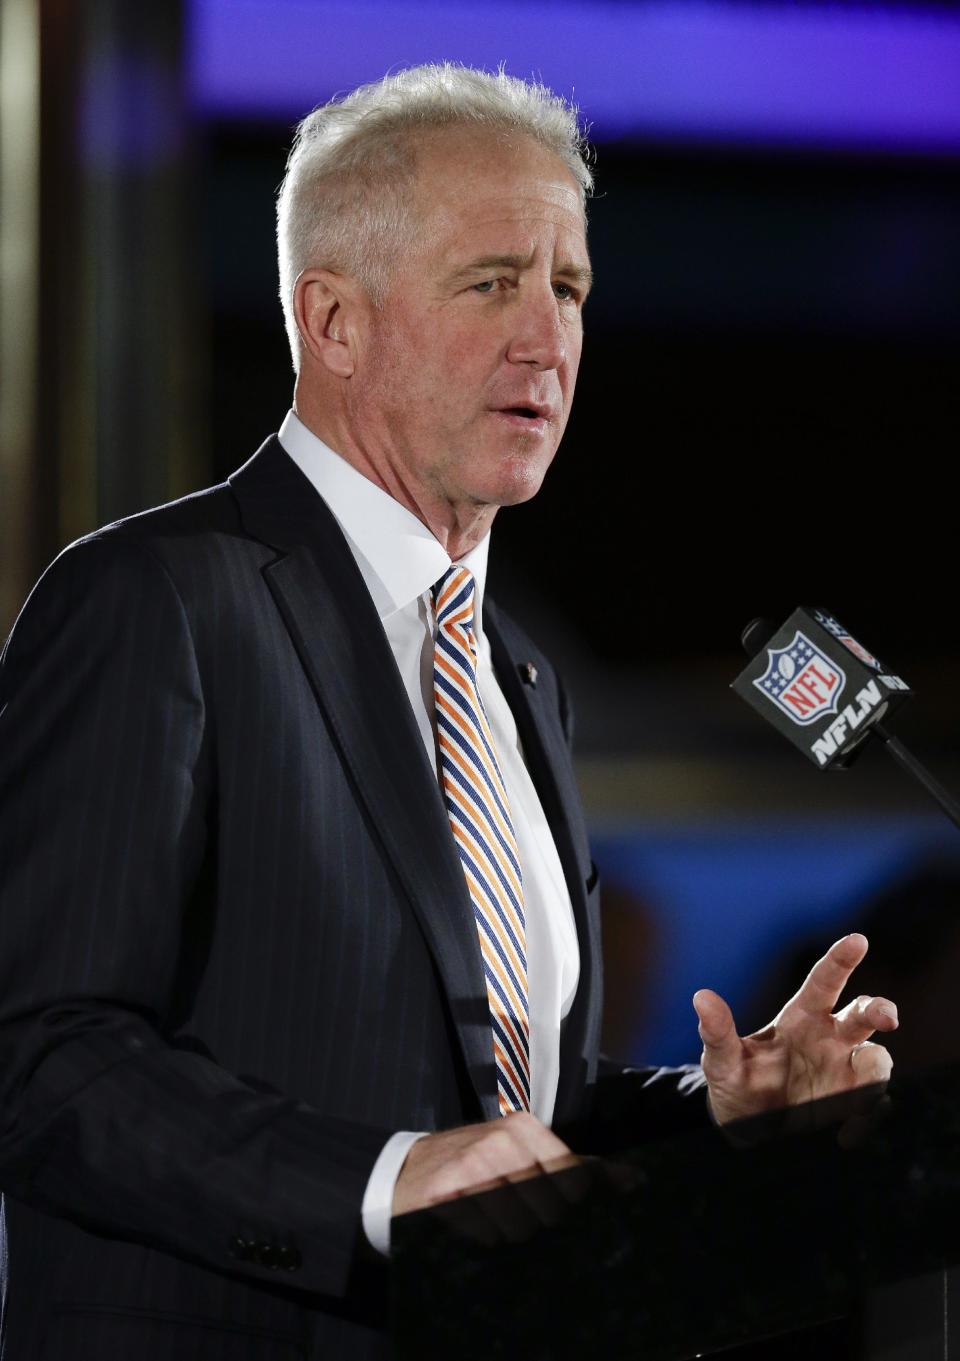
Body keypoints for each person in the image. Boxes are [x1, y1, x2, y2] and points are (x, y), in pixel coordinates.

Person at [0, 63, 897, 1360]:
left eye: (570, 288)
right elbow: (37, 1050)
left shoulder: (514, 671)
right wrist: (379, 1181)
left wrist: (720, 1107)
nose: (548, 338)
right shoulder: (159, 602)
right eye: (491, 284)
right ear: (334, 320)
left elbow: (508, 1110)